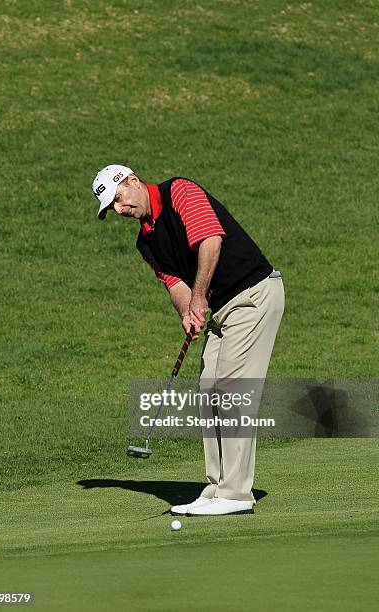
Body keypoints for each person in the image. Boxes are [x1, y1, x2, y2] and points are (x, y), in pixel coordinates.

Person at [92, 164, 285, 516]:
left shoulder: (179, 191)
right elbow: (174, 284)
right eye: (112, 208)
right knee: (209, 388)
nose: (120, 210)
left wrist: (198, 299)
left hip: (254, 294)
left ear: (133, 181)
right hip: (224, 309)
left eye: (118, 198)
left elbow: (210, 241)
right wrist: (187, 310)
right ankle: (217, 487)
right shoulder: (145, 241)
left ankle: (237, 493)